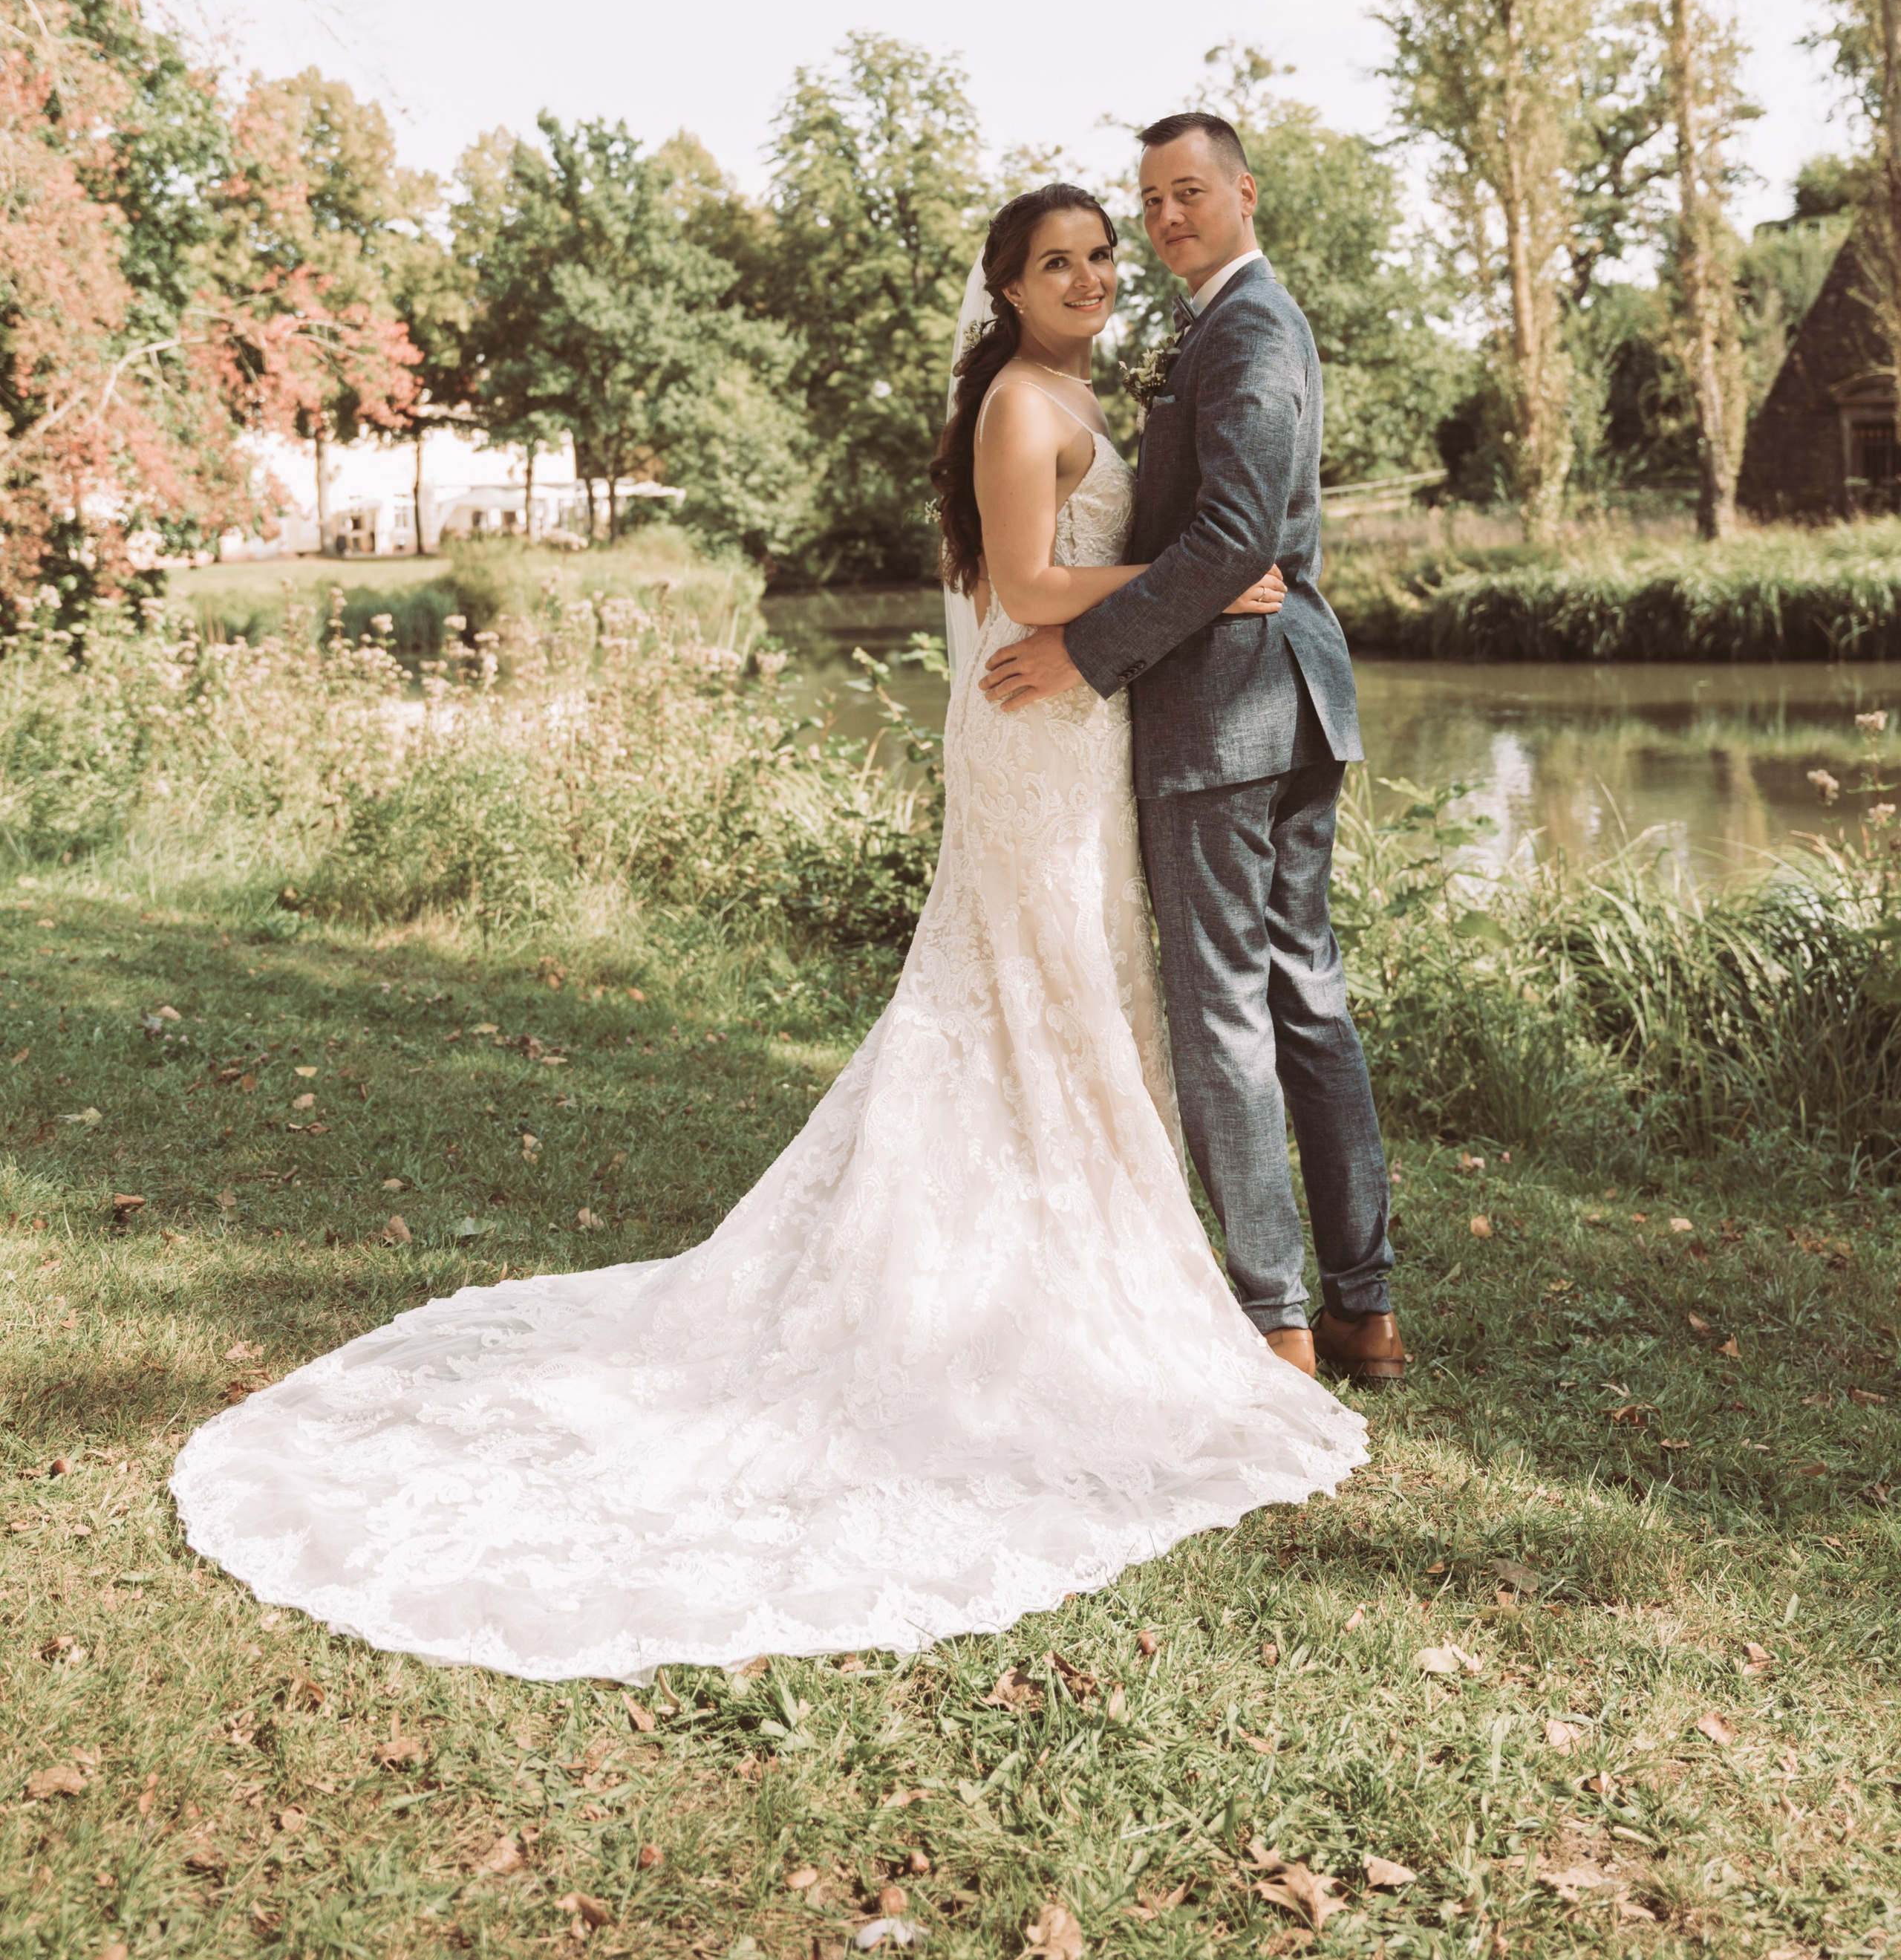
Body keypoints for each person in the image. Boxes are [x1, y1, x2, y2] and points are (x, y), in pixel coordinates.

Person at [170, 179, 1365, 1686]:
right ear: (1003, 287)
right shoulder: (1019, 401)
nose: (1086, 273)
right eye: (1053, 259)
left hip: (1069, 729)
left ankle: (1078, 1240)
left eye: (1098, 253)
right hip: (1038, 725)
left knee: (1064, 988)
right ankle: (1031, 1272)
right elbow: (1021, 586)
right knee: (1033, 986)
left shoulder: (1065, 386)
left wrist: (1150, 605)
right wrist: (1188, 587)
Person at [982, 120, 1406, 1389]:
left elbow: (1233, 539)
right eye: (1150, 199)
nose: (1166, 219)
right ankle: (1362, 1311)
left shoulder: (1252, 328)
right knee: (1300, 991)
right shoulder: (1221, 325)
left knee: (1232, 1005)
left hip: (1231, 714)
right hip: (1280, 702)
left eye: (1188, 193)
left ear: (1242, 193)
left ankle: (1279, 1316)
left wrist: (1085, 652)